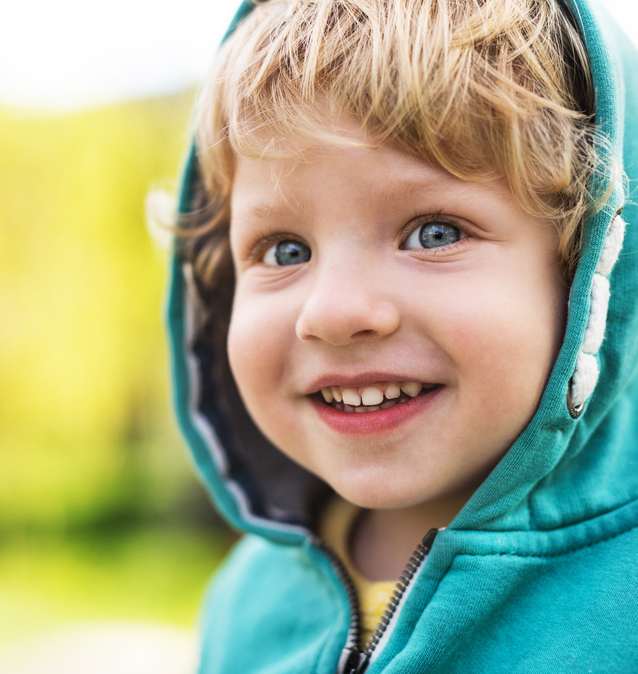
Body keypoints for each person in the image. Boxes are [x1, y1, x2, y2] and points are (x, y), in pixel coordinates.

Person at [164, 0, 638, 671]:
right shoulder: (245, 603)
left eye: (433, 233)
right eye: (284, 250)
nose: (332, 312)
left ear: (590, 268)